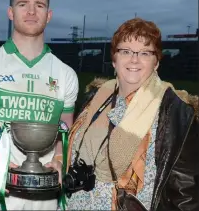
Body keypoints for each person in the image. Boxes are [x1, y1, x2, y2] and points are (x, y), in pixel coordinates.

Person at [65, 17, 199, 210]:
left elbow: (186, 195)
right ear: (114, 60)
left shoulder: (175, 113)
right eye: (125, 51)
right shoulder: (95, 98)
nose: (134, 59)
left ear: (156, 63)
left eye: (145, 53)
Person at [0, 0, 79, 210]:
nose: (31, 11)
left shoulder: (65, 74)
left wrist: (59, 160)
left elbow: (65, 129)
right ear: (10, 12)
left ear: (49, 15)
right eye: (23, 4)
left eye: (39, 5)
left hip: (46, 196)